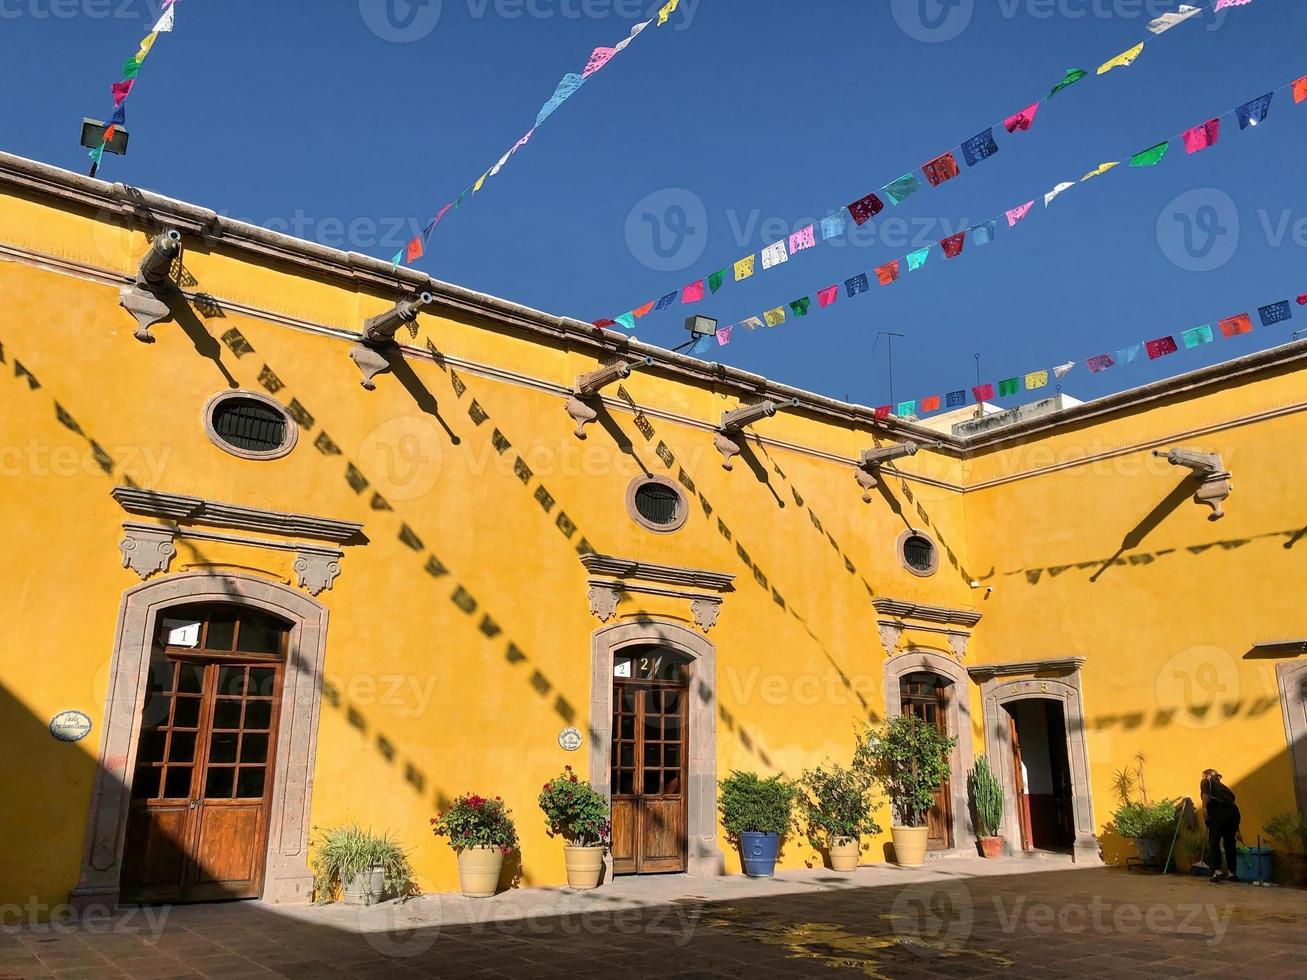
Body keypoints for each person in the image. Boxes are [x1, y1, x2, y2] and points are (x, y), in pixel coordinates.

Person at [1200, 768, 1241, 882]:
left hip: (1218, 812)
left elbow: (1205, 794)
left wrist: (1204, 808)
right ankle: (1232, 873)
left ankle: (1217, 871)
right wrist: (1237, 830)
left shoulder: (1206, 782)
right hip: (1234, 813)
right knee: (1229, 843)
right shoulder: (1225, 789)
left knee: (1214, 842)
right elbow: (1232, 806)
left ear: (1207, 776)